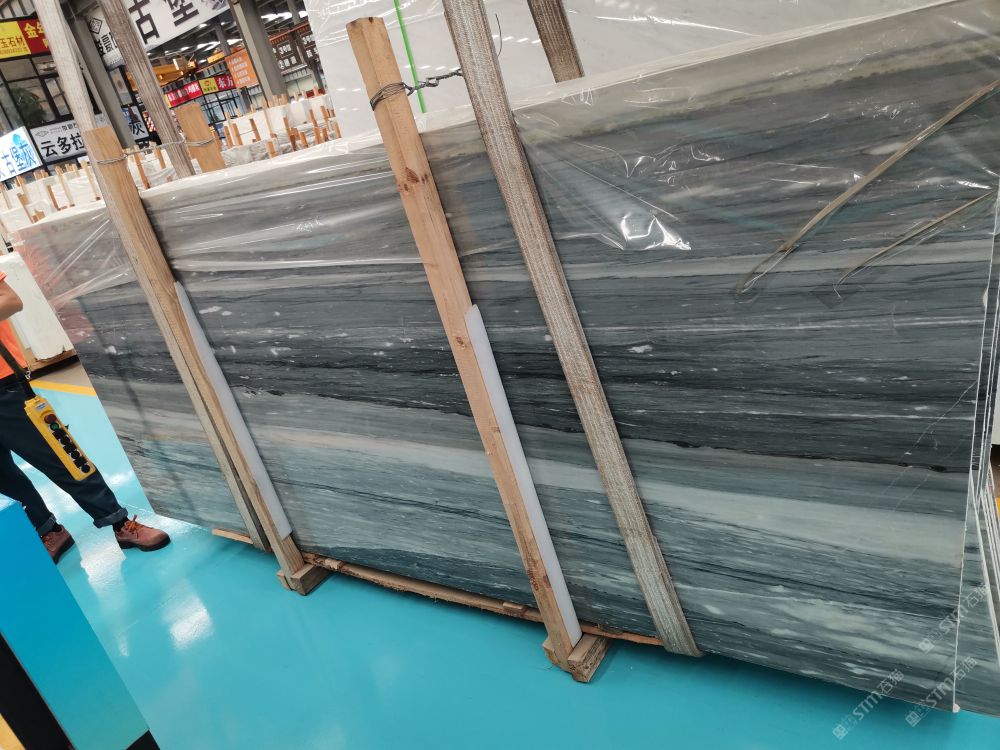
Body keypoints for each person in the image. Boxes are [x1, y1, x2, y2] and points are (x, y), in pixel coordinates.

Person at [0, 273, 170, 562]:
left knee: (62, 457)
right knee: (3, 477)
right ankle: (48, 530)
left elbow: (10, 300)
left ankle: (119, 522)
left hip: (4, 386)